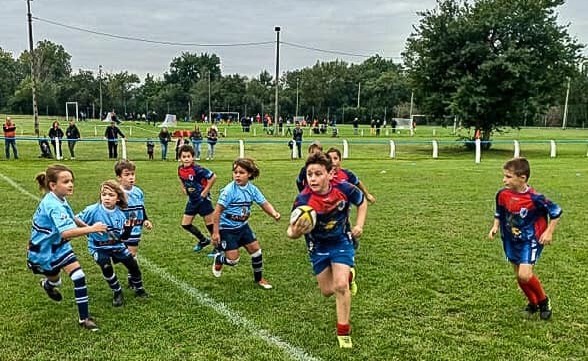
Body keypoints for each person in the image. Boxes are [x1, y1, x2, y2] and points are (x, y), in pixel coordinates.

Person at [287, 152, 367, 348]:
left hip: (341, 241)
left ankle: (343, 331)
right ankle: (349, 276)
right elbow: (290, 231)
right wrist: (295, 232)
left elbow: (362, 201)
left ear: (330, 174)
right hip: (317, 246)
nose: (313, 178)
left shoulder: (344, 189)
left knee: (340, 287)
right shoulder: (303, 200)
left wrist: (359, 225)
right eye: (309, 174)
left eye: (318, 174)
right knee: (326, 291)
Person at [26, 164, 107, 331]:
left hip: (59, 247)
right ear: (52, 185)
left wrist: (88, 229)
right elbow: (66, 233)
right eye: (66, 181)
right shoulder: (53, 205)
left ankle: (84, 319)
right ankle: (49, 284)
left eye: (71, 181)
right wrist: (92, 228)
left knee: (79, 276)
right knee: (56, 279)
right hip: (43, 251)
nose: (71, 184)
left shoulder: (59, 199)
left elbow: (72, 218)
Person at [488, 157, 562, 320]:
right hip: (511, 239)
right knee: (519, 275)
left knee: (525, 275)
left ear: (522, 178)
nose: (504, 179)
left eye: (508, 176)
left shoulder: (535, 198)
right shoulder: (502, 194)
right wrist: (495, 226)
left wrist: (549, 232)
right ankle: (533, 304)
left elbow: (556, 211)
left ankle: (543, 301)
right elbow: (499, 212)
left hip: (531, 239)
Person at [211, 158, 281, 289]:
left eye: (241, 172)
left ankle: (259, 279)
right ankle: (219, 259)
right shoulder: (229, 191)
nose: (237, 175)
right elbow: (217, 212)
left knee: (256, 251)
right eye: (235, 172)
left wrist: (274, 213)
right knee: (233, 260)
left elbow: (263, 203)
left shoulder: (252, 189)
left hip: (243, 227)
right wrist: (216, 233)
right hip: (227, 228)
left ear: (249, 174)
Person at [177, 144, 216, 252]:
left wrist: (205, 191)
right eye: (184, 157)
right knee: (185, 224)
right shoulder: (180, 169)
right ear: (180, 158)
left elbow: (213, 177)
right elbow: (181, 178)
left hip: (203, 201)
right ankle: (203, 240)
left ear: (193, 157)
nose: (186, 159)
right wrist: (183, 188)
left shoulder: (198, 169)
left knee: (211, 226)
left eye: (188, 156)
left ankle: (219, 247)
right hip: (192, 201)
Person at [114, 160, 153, 262]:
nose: (131, 177)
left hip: (135, 227)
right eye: (126, 175)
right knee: (121, 252)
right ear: (119, 177)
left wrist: (145, 220)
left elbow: (141, 208)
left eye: (132, 174)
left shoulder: (138, 191)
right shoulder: (117, 193)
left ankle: (133, 276)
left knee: (132, 253)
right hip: (121, 227)